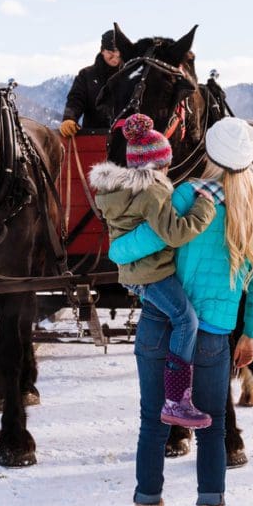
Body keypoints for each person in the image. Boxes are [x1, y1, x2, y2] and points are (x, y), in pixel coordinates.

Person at [108, 117, 253, 506]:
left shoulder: (183, 197)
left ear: (208, 153)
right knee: (213, 429)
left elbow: (120, 252)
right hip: (216, 337)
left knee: (152, 423)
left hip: (158, 326)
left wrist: (123, 253)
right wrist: (251, 333)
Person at [89, 113, 218, 428]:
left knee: (170, 321)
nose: (169, 169)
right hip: (153, 273)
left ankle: (172, 395)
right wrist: (206, 205)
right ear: (160, 163)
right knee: (186, 320)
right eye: (167, 163)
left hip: (135, 274)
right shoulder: (153, 190)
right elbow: (173, 233)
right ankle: (176, 399)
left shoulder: (118, 189)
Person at [60, 29, 122, 136]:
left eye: (118, 52)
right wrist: (69, 118)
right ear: (102, 51)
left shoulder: (132, 74)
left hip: (125, 137)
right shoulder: (86, 75)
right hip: (93, 136)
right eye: (110, 53)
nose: (115, 57)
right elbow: (76, 99)